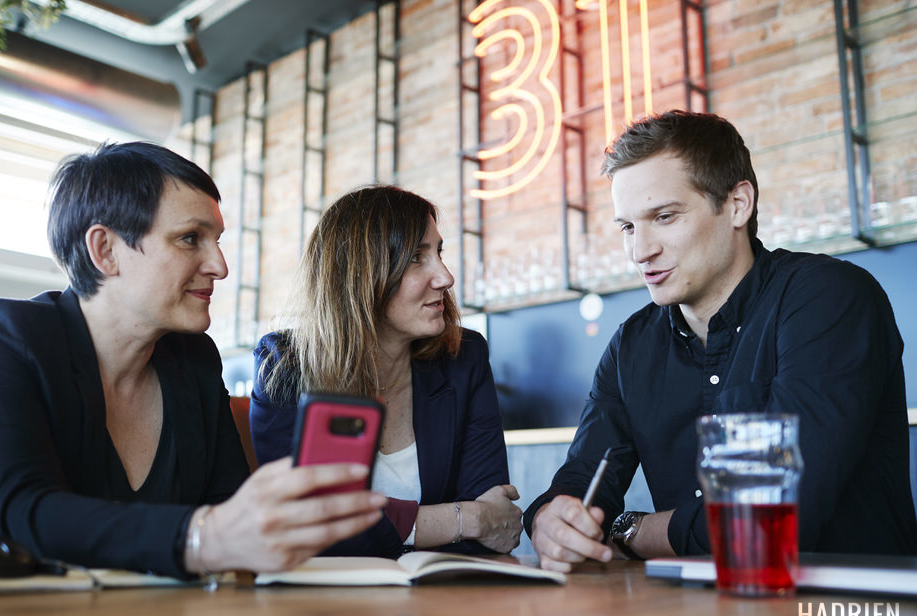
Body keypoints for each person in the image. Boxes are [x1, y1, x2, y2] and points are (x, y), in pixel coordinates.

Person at [0, 142, 386, 576]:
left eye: (217, 240)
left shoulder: (194, 360)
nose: (220, 266)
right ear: (105, 250)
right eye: (189, 239)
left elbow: (228, 507)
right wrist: (207, 537)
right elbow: (19, 512)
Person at [525, 111, 917, 572]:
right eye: (628, 227)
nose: (639, 251)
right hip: (699, 614)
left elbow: (771, 514)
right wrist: (551, 521)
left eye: (664, 217)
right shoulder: (632, 344)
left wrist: (631, 529)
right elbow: (580, 480)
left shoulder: (826, 298)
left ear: (737, 204)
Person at [251, 185, 522, 558]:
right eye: (416, 257)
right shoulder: (286, 364)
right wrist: (465, 520)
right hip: (319, 607)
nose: (445, 277)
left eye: (438, 252)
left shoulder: (463, 357)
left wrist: (471, 520)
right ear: (359, 276)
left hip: (442, 603)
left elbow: (494, 519)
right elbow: (307, 522)